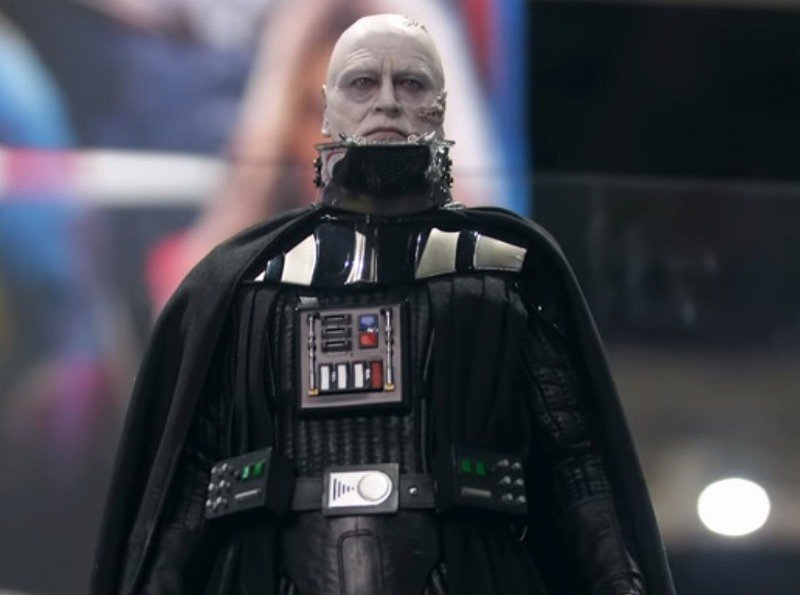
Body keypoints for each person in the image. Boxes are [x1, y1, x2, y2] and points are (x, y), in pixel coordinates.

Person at [92, 14, 675, 595]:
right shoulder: (249, 284)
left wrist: (620, 582)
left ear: (441, 108)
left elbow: (576, 465)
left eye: (412, 83)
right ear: (326, 108)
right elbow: (193, 479)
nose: (388, 103)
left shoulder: (504, 276)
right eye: (363, 83)